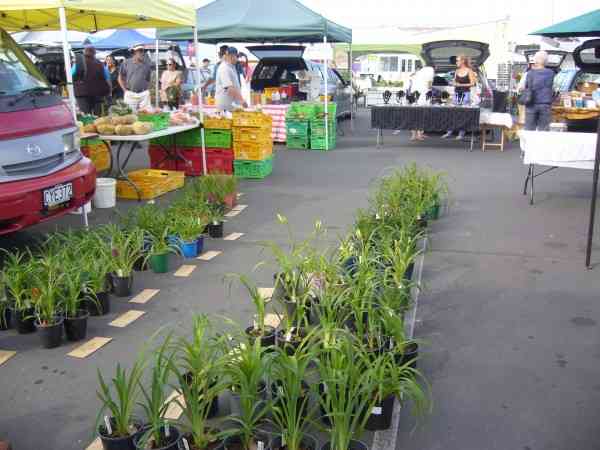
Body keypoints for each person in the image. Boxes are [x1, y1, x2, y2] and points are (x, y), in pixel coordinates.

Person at [442, 55, 477, 140]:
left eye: (457, 60)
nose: (456, 62)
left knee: (463, 113)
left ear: (463, 61)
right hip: (457, 92)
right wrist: (453, 83)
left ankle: (461, 134)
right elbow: (455, 81)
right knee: (453, 113)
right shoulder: (457, 71)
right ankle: (449, 132)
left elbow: (473, 83)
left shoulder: (469, 71)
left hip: (465, 93)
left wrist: (460, 84)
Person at [72, 45, 111, 115]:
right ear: (94, 53)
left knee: (86, 116)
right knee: (98, 116)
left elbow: (71, 75)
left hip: (82, 94)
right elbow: (107, 79)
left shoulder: (78, 63)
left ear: (84, 52)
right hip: (98, 94)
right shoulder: (100, 64)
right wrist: (109, 92)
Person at [524, 51, 555, 131]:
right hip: (545, 104)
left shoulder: (530, 73)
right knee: (544, 131)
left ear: (536, 60)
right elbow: (553, 88)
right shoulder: (551, 73)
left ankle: (530, 143)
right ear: (545, 61)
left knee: (529, 130)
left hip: (531, 103)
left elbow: (525, 87)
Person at [119, 44, 153, 112]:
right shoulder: (126, 63)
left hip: (143, 94)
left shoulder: (147, 65)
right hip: (130, 93)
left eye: (143, 51)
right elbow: (120, 78)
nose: (142, 53)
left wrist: (147, 90)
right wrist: (125, 90)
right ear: (134, 52)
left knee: (146, 114)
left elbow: (148, 79)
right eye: (140, 51)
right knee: (129, 114)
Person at [215, 46, 248, 112]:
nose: (237, 59)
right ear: (231, 56)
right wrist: (242, 101)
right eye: (236, 57)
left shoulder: (231, 67)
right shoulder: (224, 68)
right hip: (225, 106)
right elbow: (229, 88)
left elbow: (235, 86)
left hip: (231, 105)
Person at [410, 65, 434, 141]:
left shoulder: (416, 73)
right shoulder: (430, 72)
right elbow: (429, 86)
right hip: (423, 96)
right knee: (421, 115)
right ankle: (419, 135)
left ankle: (414, 135)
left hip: (414, 96)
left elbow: (410, 82)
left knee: (414, 116)